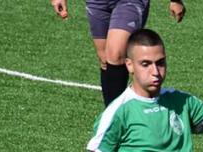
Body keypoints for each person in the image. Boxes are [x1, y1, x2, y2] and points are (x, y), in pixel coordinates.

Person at [51, 0, 186, 106]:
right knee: (105, 60)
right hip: (97, 3)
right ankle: (111, 118)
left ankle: (118, 120)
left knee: (115, 54)